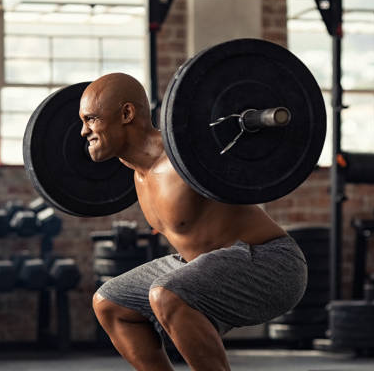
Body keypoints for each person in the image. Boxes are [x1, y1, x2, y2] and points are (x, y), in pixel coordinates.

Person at [81, 72, 308, 371]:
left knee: (167, 294)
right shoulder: (138, 174)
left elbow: (235, 151)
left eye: (91, 119)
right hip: (201, 263)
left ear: (126, 113)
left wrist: (257, 122)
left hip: (271, 264)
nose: (84, 132)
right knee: (110, 303)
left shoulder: (186, 155)